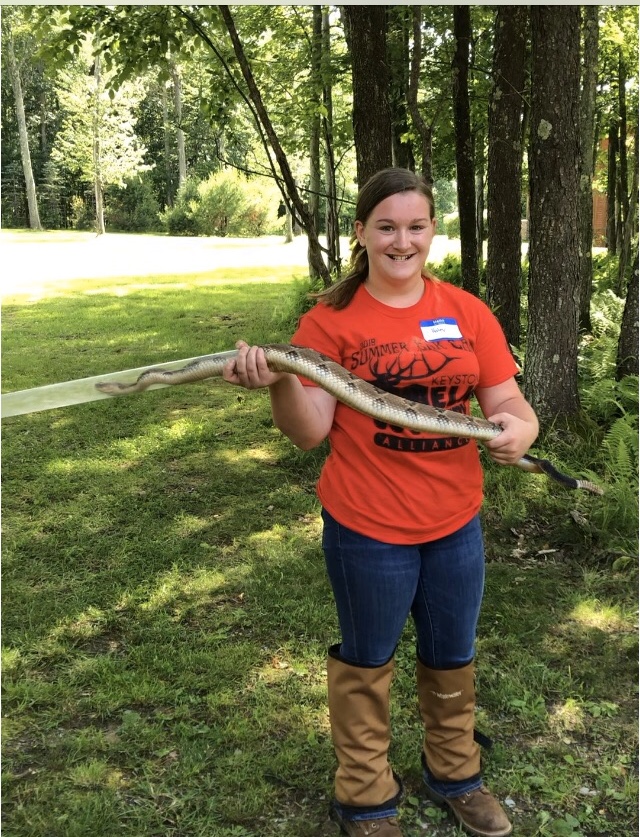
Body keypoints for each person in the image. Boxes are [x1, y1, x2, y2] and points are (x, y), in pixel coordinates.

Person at [223, 167, 539, 837]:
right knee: (367, 661)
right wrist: (279, 378)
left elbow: (506, 401)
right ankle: (365, 797)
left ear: (432, 230)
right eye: (387, 226)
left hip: (455, 523)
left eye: (416, 226)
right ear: (362, 232)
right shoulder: (330, 320)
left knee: (452, 653)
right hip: (367, 526)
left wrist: (521, 429)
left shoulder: (466, 311)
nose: (403, 240)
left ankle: (456, 773)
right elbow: (309, 431)